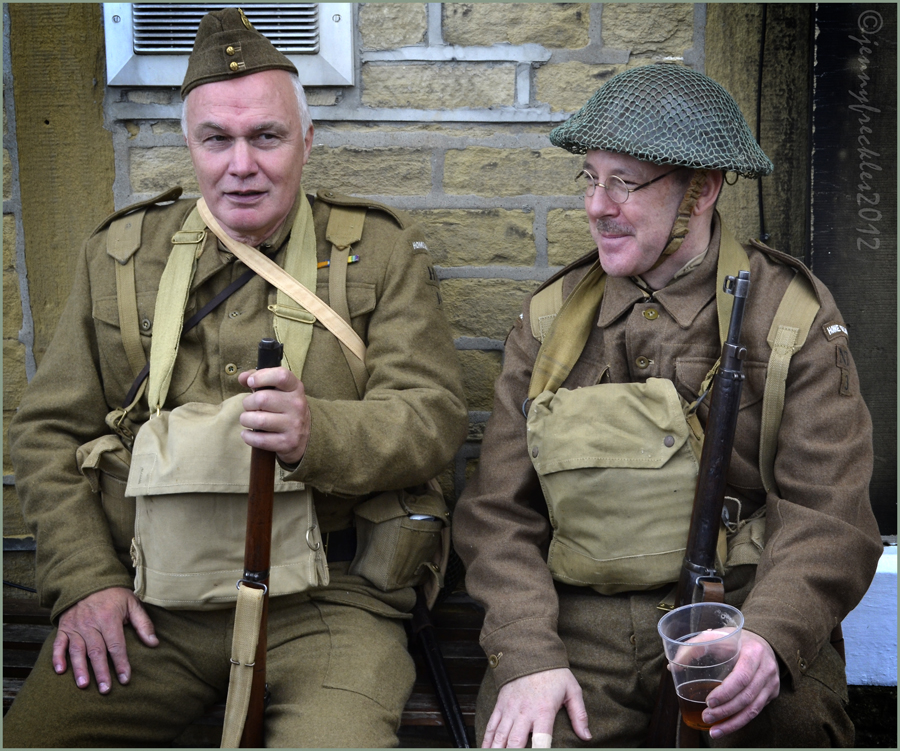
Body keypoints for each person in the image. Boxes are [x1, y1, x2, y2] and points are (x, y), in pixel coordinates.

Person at [5, 8, 467, 748]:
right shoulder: (121, 255)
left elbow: (434, 418)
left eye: (267, 137)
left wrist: (319, 430)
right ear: (189, 144)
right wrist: (86, 581)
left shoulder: (375, 255)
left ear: (306, 141)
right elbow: (47, 433)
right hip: (150, 597)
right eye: (216, 139)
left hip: (328, 600)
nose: (240, 164)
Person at [452, 63, 882, 748]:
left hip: (738, 609)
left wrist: (770, 638)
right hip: (579, 629)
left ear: (702, 190)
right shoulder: (552, 320)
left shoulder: (788, 315)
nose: (597, 204)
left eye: (625, 181)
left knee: (786, 728)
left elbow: (830, 512)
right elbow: (497, 514)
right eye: (590, 177)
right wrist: (528, 653)